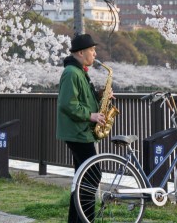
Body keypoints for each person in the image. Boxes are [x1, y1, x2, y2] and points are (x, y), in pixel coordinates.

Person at [56, 33, 107, 223]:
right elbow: (67, 104)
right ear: (80, 52)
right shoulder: (71, 73)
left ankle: (76, 221)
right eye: (92, 50)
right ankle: (86, 220)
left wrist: (102, 97)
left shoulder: (80, 71)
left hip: (80, 131)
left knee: (81, 179)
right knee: (93, 175)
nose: (94, 53)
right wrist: (91, 116)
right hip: (77, 132)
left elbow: (83, 99)